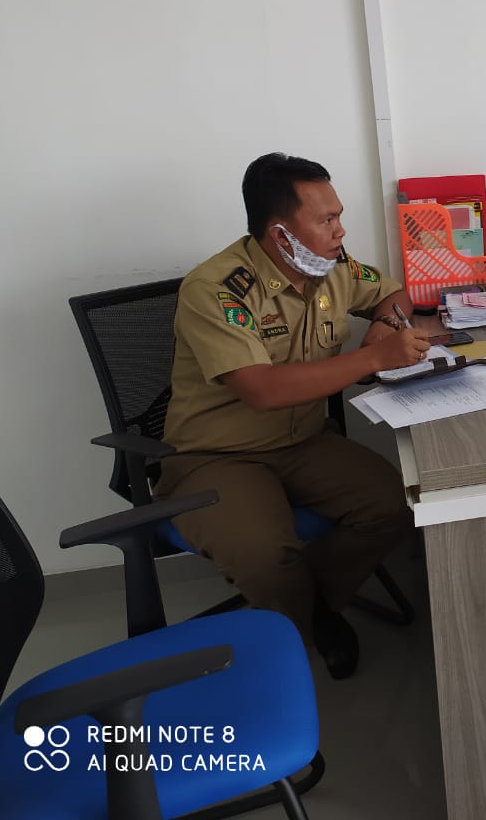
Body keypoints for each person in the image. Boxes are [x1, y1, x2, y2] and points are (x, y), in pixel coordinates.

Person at [155, 152, 430, 679]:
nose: (340, 230)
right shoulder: (216, 289)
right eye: (326, 220)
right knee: (266, 555)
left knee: (393, 503)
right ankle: (301, 636)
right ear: (281, 235)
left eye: (338, 215)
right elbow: (260, 390)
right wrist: (375, 357)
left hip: (303, 441)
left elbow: (392, 292)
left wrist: (386, 322)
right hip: (216, 455)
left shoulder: (332, 268)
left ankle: (307, 609)